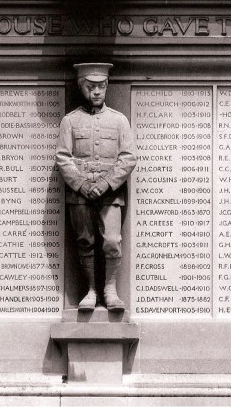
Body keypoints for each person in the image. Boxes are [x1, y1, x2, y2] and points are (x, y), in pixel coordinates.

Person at [56, 63, 137, 311]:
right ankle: (91, 290)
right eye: (91, 87)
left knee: (112, 241)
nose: (97, 92)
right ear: (82, 88)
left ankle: (110, 290)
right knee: (85, 241)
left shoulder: (119, 120)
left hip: (109, 194)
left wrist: (106, 183)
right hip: (80, 194)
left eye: (101, 87)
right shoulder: (70, 121)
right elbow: (63, 157)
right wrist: (81, 184)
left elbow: (128, 156)